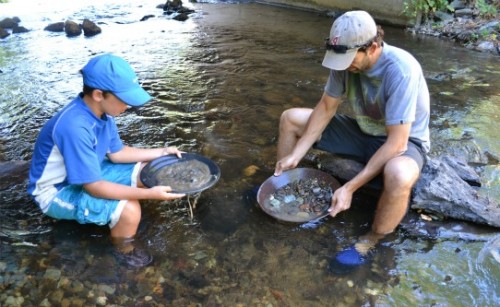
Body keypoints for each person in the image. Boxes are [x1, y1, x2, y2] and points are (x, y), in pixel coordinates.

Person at [274, 10, 430, 272]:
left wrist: (350, 188)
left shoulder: (401, 69)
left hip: (403, 140)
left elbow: (397, 144)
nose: (344, 66)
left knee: (400, 175)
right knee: (290, 118)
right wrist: (297, 154)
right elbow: (326, 108)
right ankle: (280, 188)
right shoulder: (344, 61)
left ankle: (370, 241)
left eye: (348, 59)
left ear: (371, 47)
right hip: (362, 131)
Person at [27, 54, 186, 268]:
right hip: (57, 191)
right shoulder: (75, 127)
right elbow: (94, 187)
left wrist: (162, 152)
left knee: (152, 172)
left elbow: (117, 154)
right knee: (130, 210)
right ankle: (124, 251)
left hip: (91, 172)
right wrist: (149, 195)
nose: (128, 105)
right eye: (124, 99)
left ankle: (113, 218)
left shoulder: (103, 114)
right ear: (99, 94)